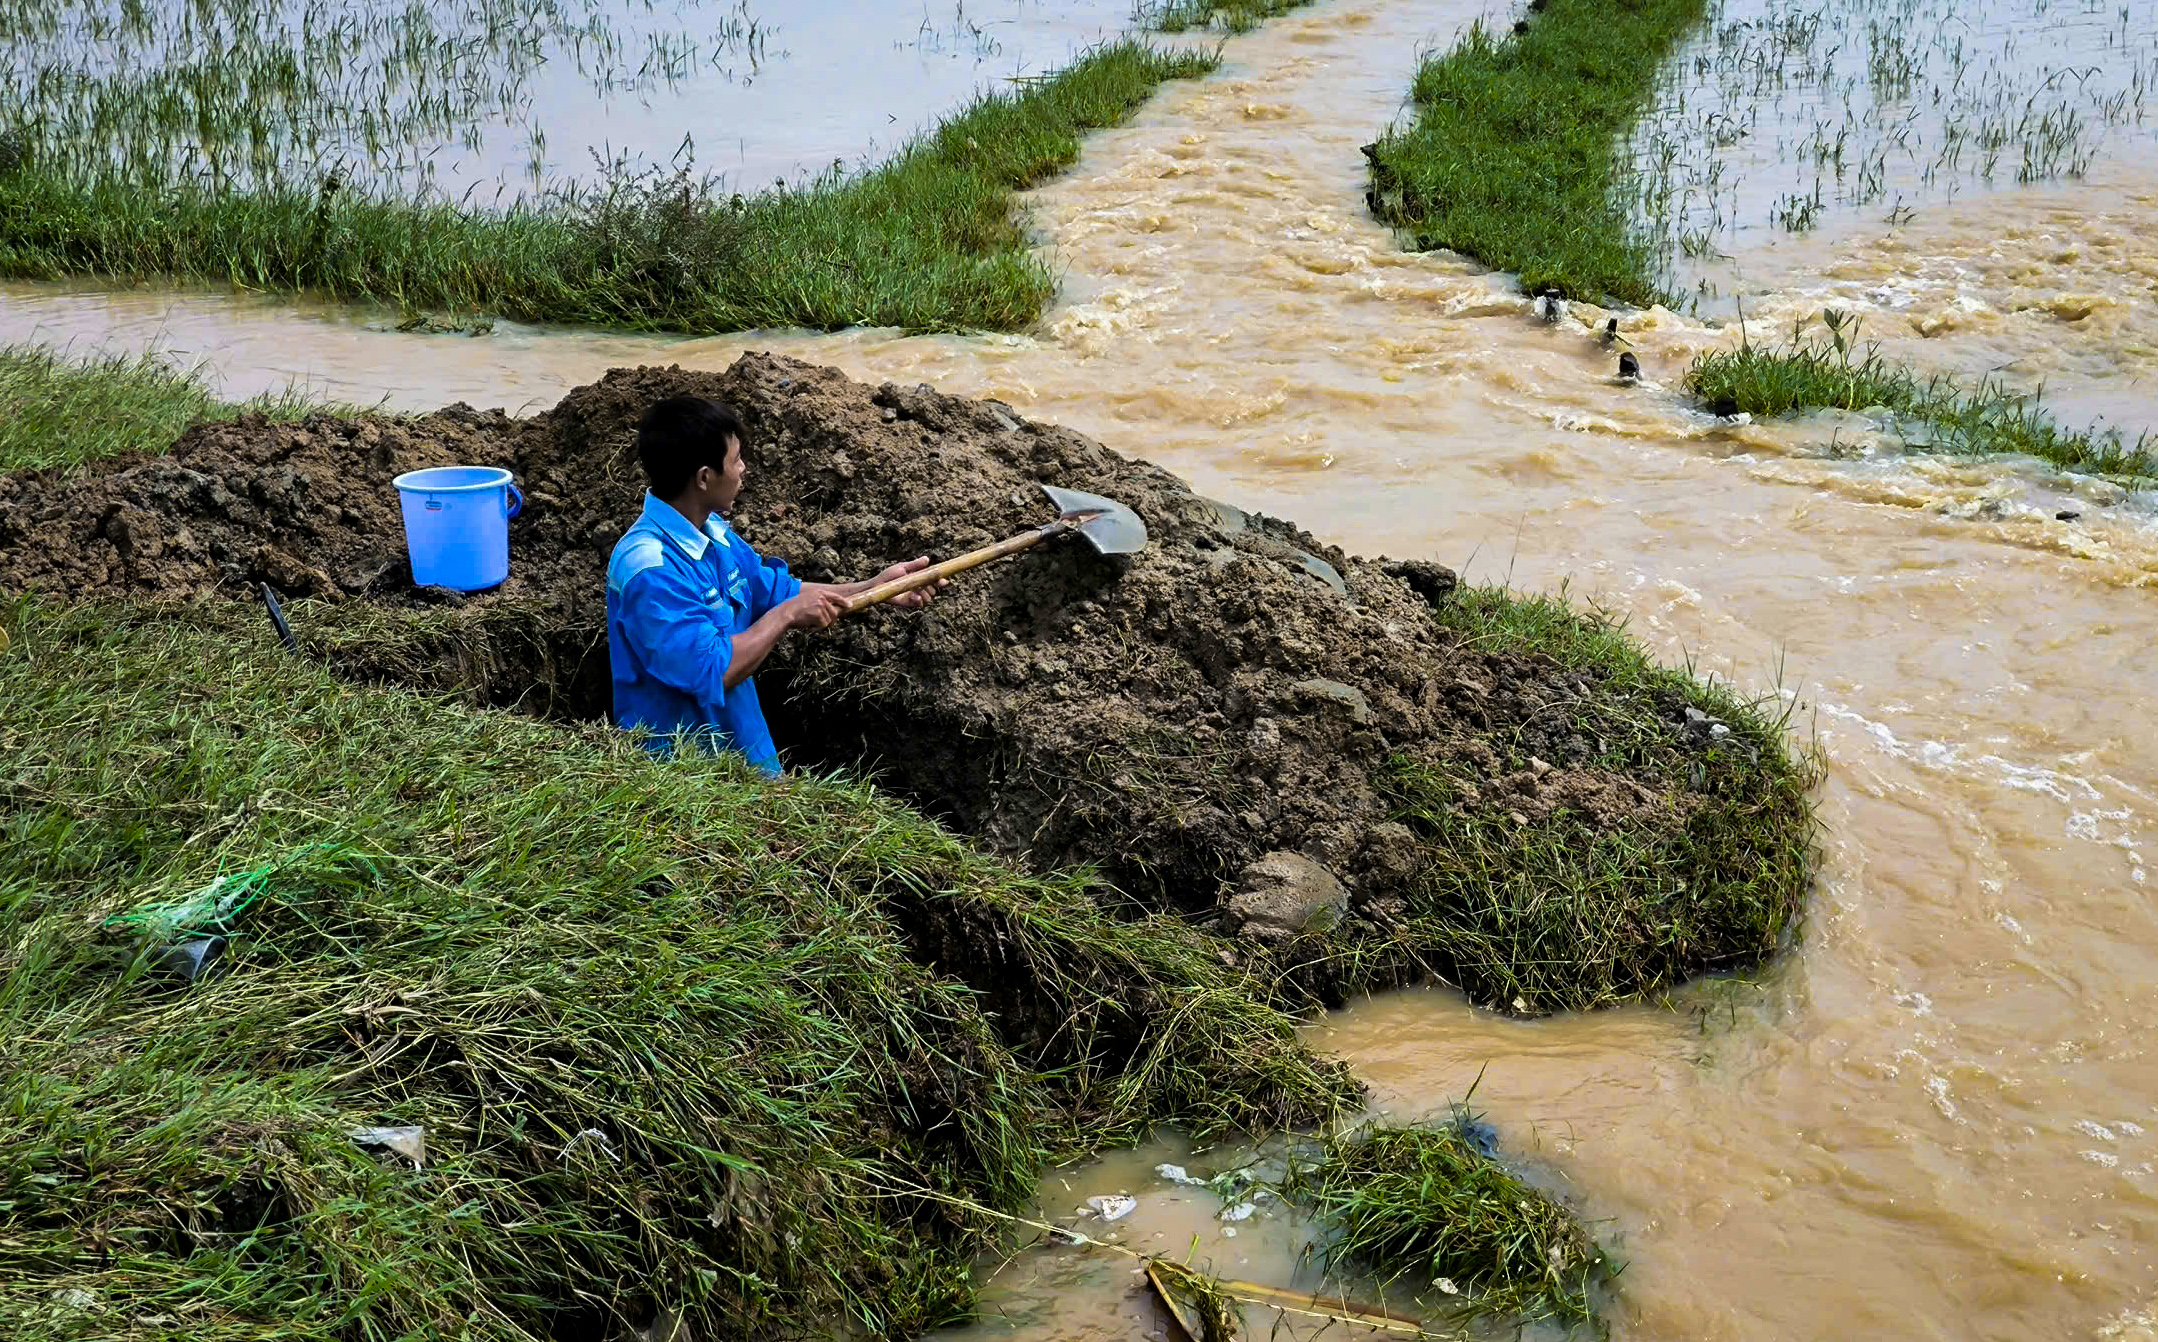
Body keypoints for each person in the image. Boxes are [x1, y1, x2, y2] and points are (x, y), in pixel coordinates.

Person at [606, 395, 940, 773]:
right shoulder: (650, 569)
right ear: (703, 478)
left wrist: (877, 587)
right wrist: (785, 617)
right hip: (686, 776)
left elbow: (778, 590)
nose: (743, 469)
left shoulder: (713, 534)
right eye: (736, 460)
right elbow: (713, 670)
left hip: (746, 754)